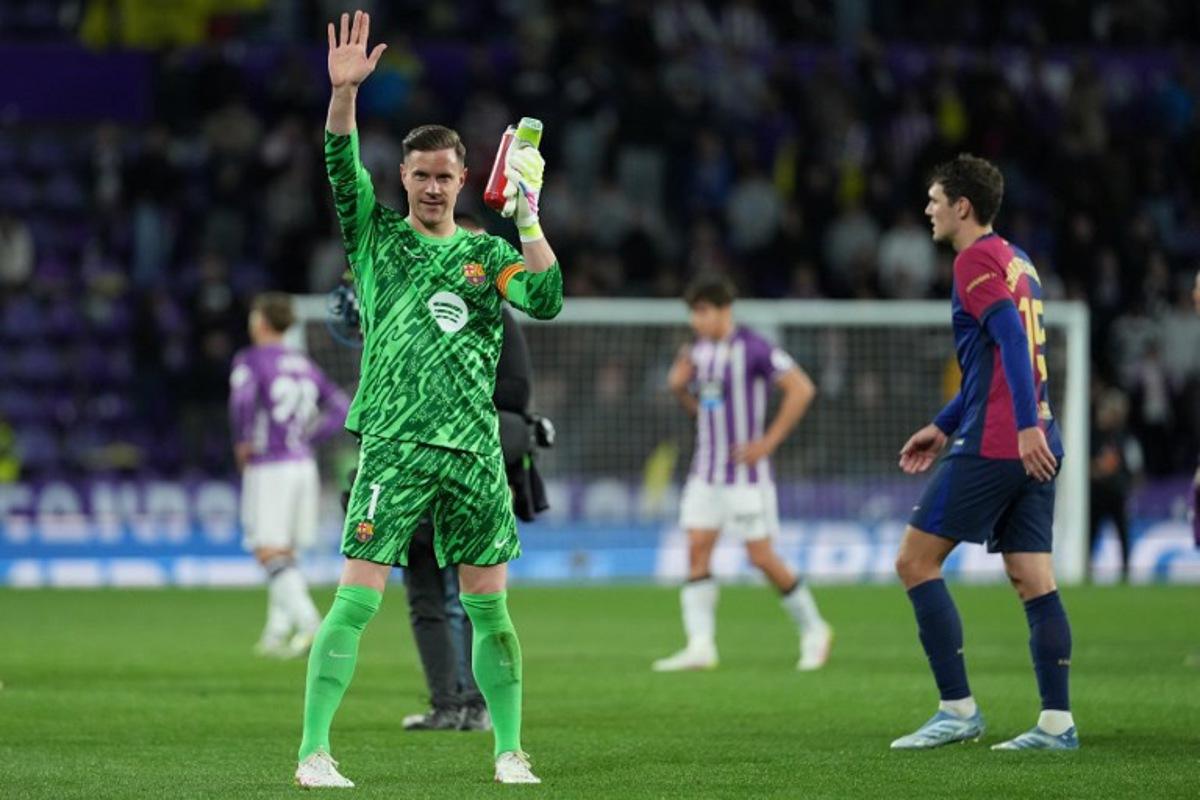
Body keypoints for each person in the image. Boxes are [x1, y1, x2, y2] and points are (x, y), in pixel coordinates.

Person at [294, 11, 562, 788]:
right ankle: (314, 752)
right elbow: (339, 162)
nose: (435, 186)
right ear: (404, 179)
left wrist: (528, 216)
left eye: (447, 174)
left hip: (474, 450)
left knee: (489, 610)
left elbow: (545, 298)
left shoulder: (485, 255)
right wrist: (342, 95)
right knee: (355, 601)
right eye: (421, 175)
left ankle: (509, 750)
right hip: (395, 445)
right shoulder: (376, 240)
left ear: (461, 176)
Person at [891, 154, 1077, 751]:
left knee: (914, 562)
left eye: (935, 199)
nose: (929, 208)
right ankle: (1056, 723)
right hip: (1036, 437)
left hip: (1003, 440)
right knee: (1032, 577)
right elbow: (991, 364)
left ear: (961, 207)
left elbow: (1011, 345)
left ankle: (957, 709)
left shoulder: (973, 260)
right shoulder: (1017, 259)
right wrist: (944, 424)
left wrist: (1020, 428)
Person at [399, 214, 539, 735]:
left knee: (467, 597)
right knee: (424, 596)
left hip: (469, 468)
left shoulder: (498, 319)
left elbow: (515, 398)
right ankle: (446, 703)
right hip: (411, 468)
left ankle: (476, 704)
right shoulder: (414, 316)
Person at [652, 274, 832, 673]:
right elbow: (707, 412)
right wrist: (680, 390)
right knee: (697, 548)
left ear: (724, 310)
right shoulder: (697, 352)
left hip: (745, 478)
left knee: (761, 557)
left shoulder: (753, 348)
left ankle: (814, 629)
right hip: (705, 472)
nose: (697, 321)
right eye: (693, 313)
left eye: (703, 312)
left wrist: (768, 443)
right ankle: (700, 646)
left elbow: (801, 388)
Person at [228, 292, 349, 658]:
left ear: (261, 322)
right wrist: (308, 437)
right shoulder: (302, 363)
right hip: (302, 464)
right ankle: (277, 632)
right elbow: (340, 406)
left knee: (266, 549)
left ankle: (311, 624)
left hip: (271, 464)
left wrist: (243, 440)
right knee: (285, 551)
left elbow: (243, 401)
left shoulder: (252, 359)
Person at [1088, 386, 1140, 582]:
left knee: (1123, 534)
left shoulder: (1124, 437)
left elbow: (1134, 465)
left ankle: (1126, 571)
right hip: (1098, 494)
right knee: (1091, 533)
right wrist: (1096, 470)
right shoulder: (1091, 436)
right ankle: (1086, 568)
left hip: (1117, 493)